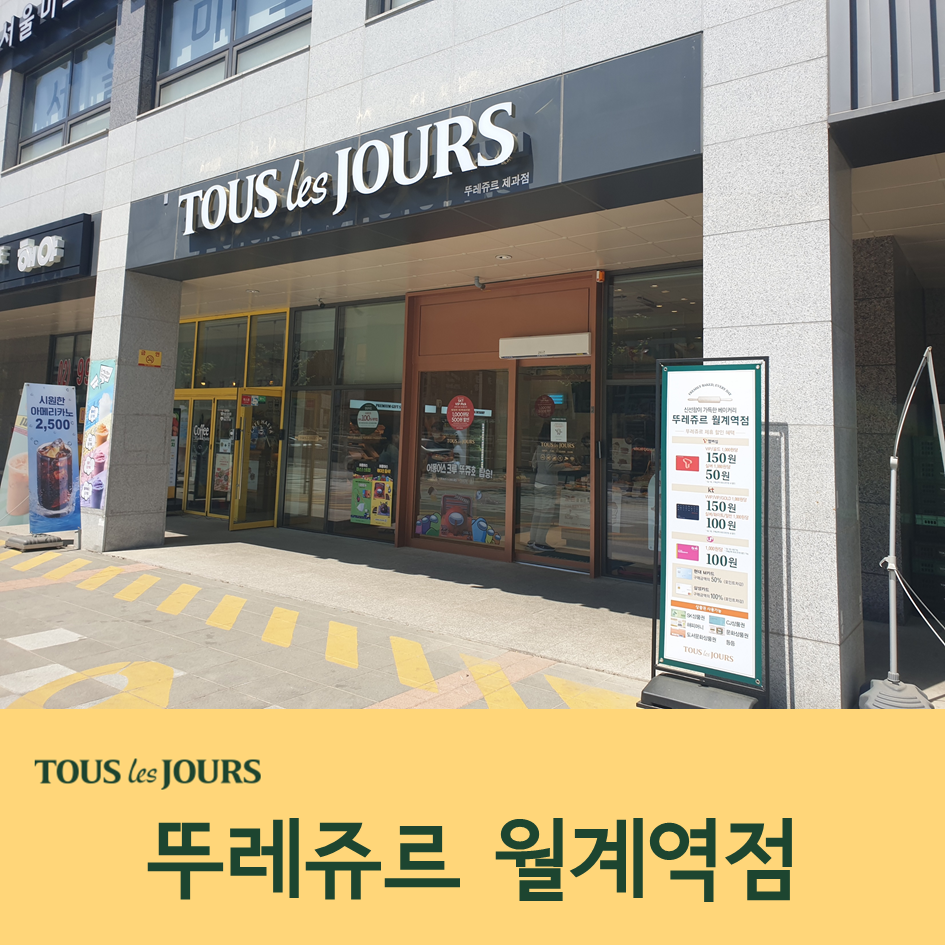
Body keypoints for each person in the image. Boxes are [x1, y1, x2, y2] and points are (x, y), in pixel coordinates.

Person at [527, 423, 580, 553]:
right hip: (548, 484)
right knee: (546, 514)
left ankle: (532, 539)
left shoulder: (539, 446)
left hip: (538, 482)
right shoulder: (550, 448)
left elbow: (533, 463)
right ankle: (540, 542)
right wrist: (564, 465)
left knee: (538, 512)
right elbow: (550, 467)